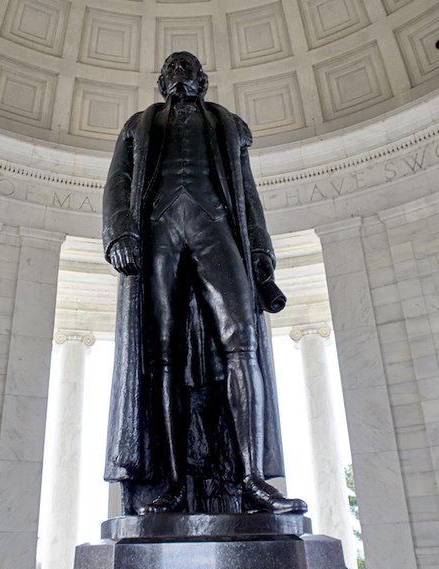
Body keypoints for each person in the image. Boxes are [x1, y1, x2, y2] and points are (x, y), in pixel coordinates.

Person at [101, 51, 306, 515]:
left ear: (203, 80)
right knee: (164, 354)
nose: (179, 74)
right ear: (160, 82)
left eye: (187, 68)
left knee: (244, 342)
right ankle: (171, 483)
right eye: (171, 69)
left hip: (216, 225)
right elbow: (117, 182)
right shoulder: (139, 125)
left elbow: (247, 192)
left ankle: (251, 478)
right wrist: (118, 231)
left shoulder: (228, 124)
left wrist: (259, 252)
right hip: (159, 230)